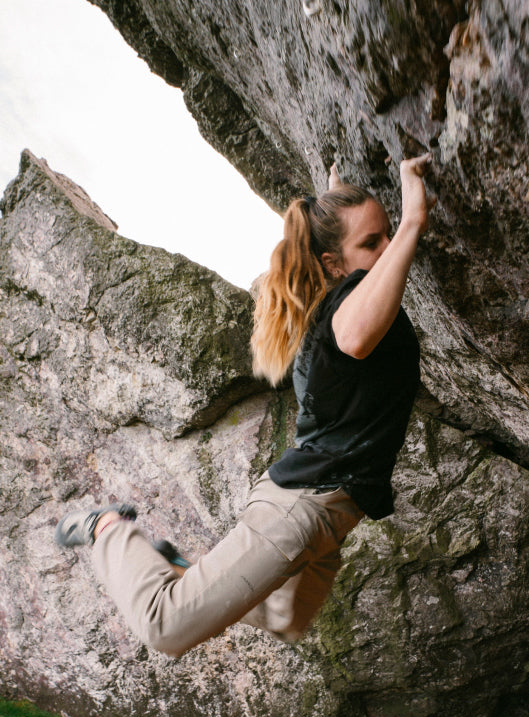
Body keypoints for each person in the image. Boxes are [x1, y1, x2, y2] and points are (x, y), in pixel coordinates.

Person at [55, 153, 432, 658]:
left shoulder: (327, 307)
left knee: (286, 617)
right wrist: (412, 221)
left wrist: (333, 198)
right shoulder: (348, 305)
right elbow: (357, 334)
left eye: (387, 234)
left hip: (331, 513)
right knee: (165, 627)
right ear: (333, 264)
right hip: (303, 507)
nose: (387, 248)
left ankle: (180, 569)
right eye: (371, 242)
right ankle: (108, 528)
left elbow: (352, 302)